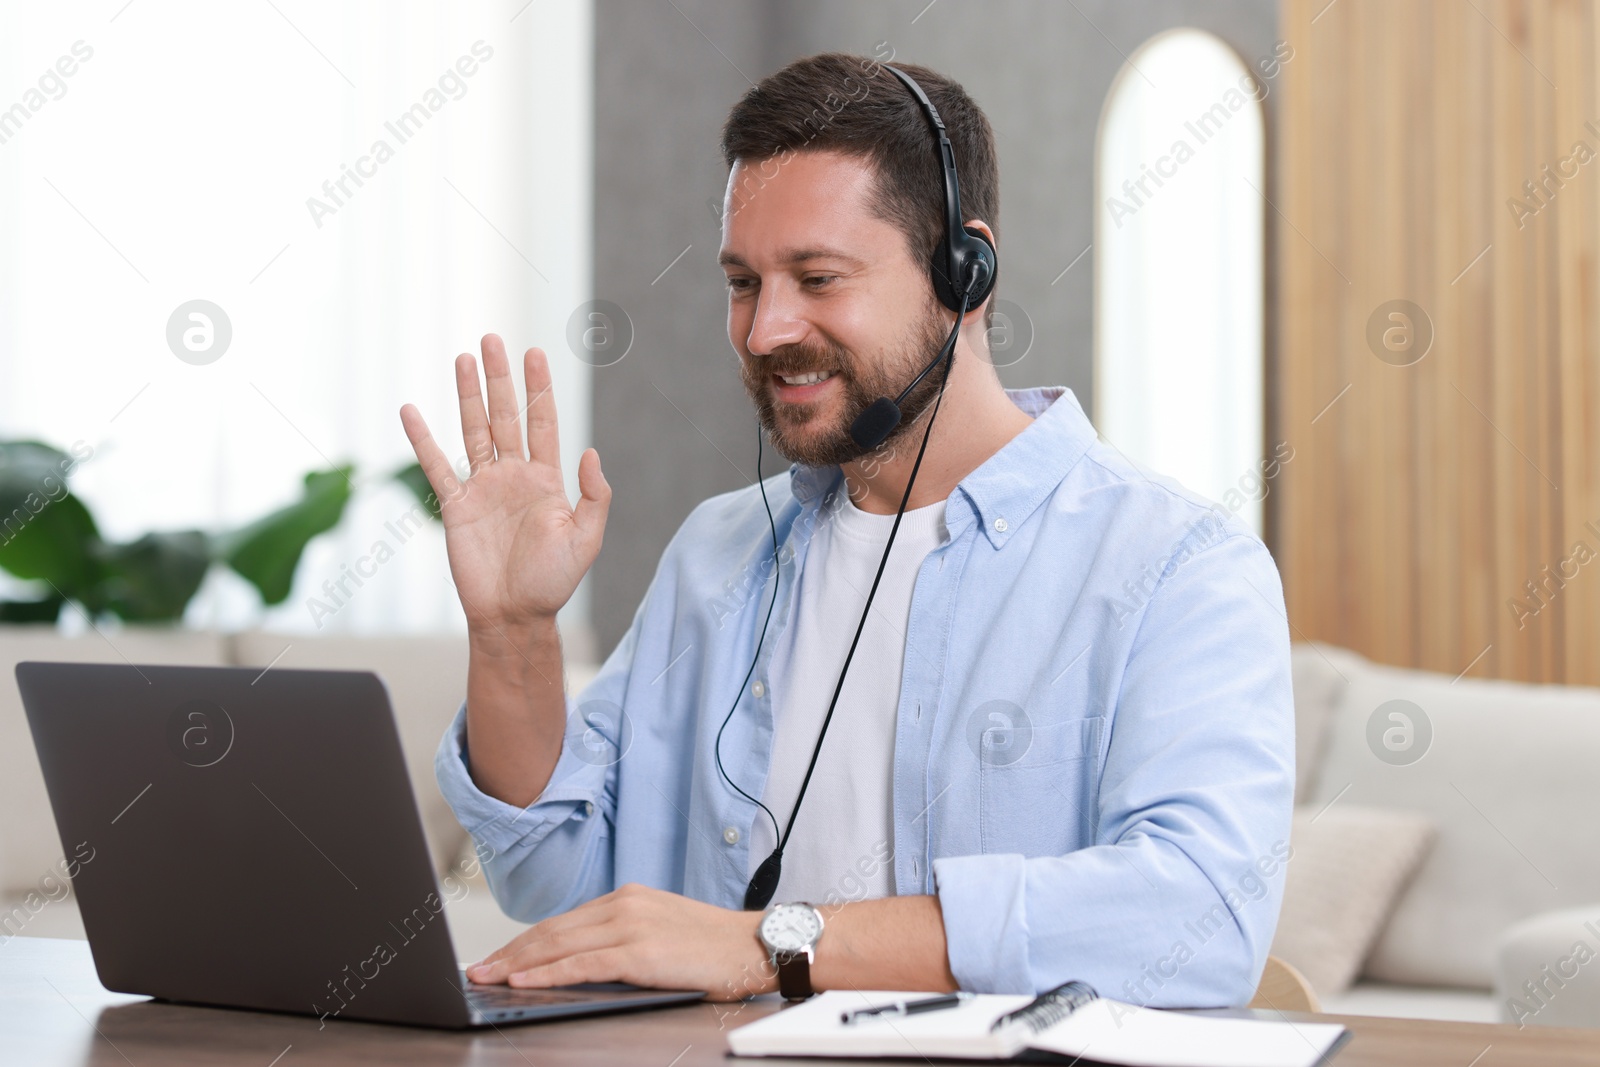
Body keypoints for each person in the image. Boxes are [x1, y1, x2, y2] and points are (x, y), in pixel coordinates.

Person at [398, 52, 1293, 1007]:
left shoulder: (1175, 566)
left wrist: (772, 945)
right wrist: (512, 636)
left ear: (966, 271)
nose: (765, 329)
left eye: (818, 277)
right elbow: (557, 879)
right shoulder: (718, 554)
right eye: (744, 282)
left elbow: (1199, 917)